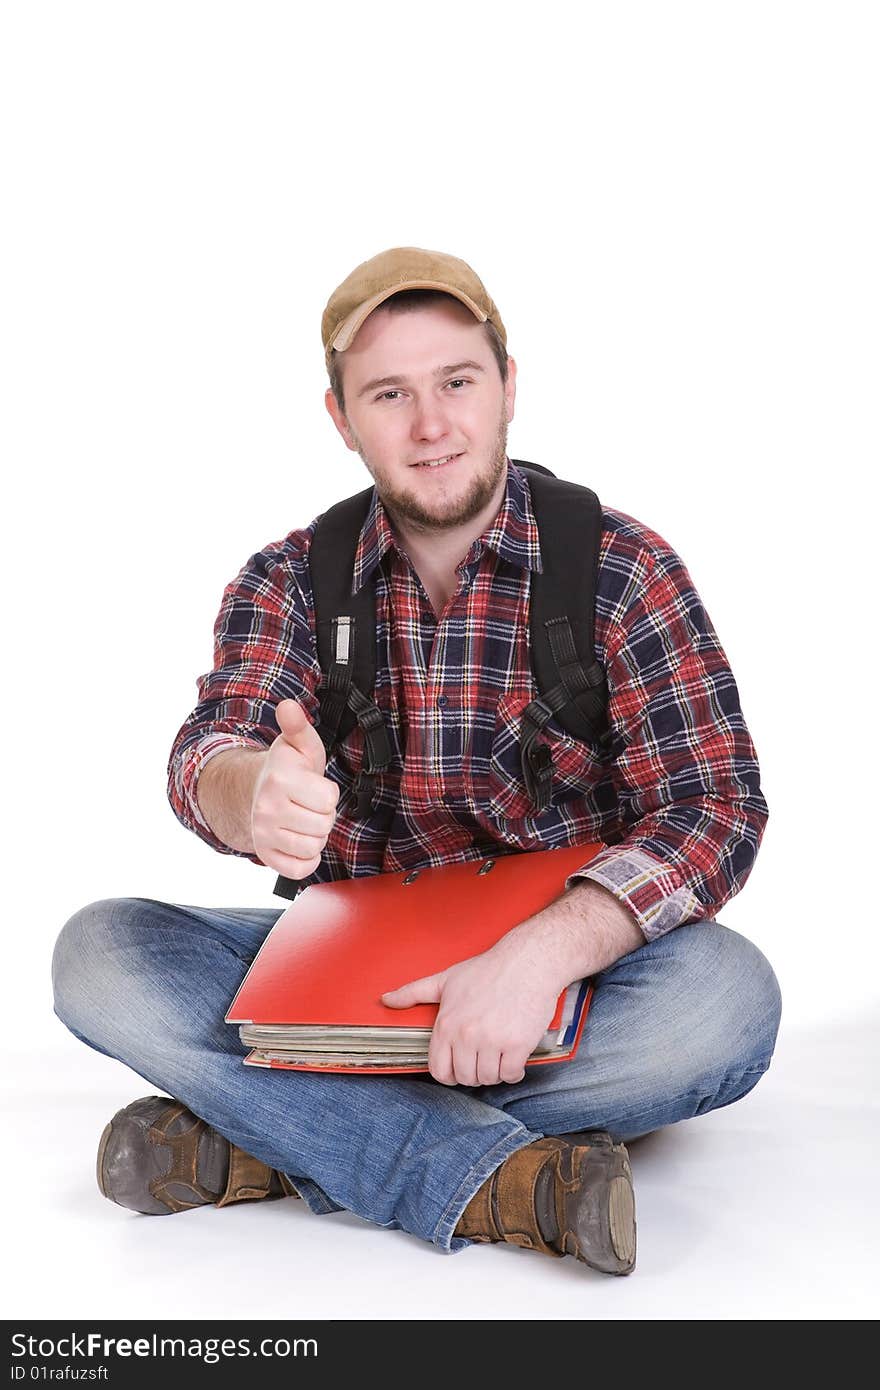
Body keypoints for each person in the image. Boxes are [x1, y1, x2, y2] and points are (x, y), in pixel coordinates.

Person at [52, 246, 782, 1278]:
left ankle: (256, 1139)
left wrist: (538, 960)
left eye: (457, 382)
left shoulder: (618, 569)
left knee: (724, 1002)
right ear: (342, 419)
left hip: (563, 980)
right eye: (389, 394)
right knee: (99, 957)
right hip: (355, 976)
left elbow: (714, 808)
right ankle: (501, 1180)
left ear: (508, 387)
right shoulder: (291, 580)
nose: (431, 425)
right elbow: (209, 746)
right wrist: (245, 789)